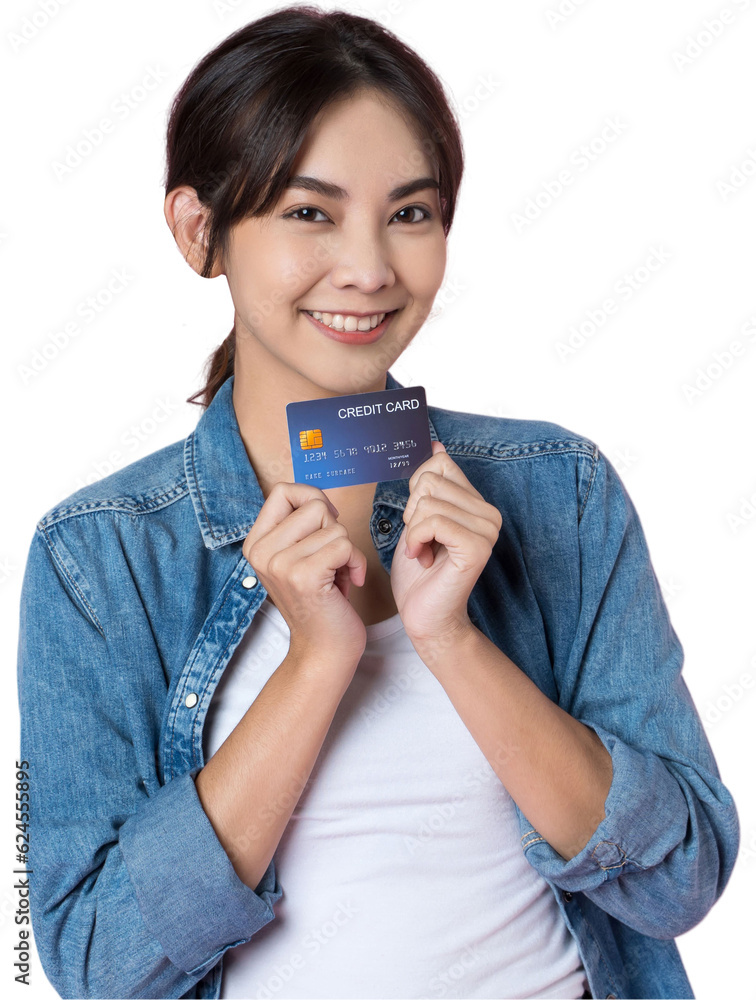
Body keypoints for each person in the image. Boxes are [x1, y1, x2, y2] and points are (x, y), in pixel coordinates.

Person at [16, 6, 739, 1000]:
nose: (370, 269)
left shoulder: (559, 490)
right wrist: (318, 662)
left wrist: (456, 644)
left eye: (411, 212)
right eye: (309, 212)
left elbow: (684, 878)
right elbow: (93, 965)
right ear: (200, 231)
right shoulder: (97, 556)